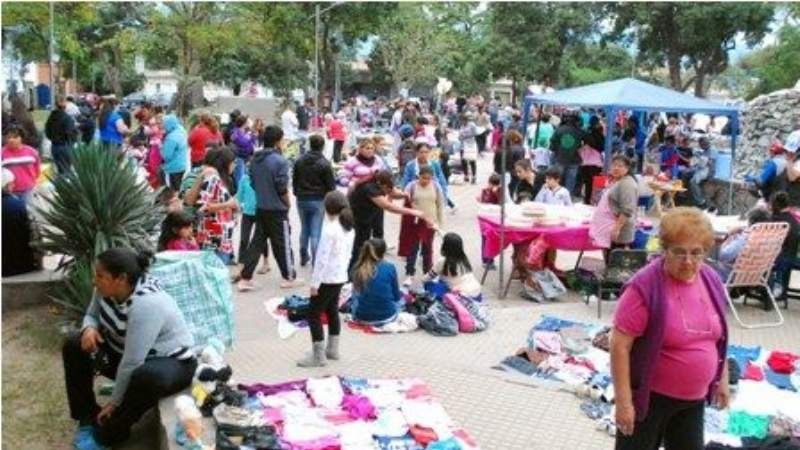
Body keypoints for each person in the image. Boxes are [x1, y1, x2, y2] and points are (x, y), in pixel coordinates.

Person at [610, 208, 730, 450]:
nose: (688, 261)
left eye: (697, 253)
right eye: (679, 252)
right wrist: (624, 403)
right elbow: (619, 345)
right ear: (664, 250)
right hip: (650, 400)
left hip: (692, 401)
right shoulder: (644, 287)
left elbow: (717, 337)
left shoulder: (710, 279)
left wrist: (722, 379)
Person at [63, 248, 196, 449]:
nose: (94, 281)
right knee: (74, 344)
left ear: (121, 279)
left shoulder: (147, 303)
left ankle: (110, 434)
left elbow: (133, 361)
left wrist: (115, 402)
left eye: (100, 276)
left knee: (145, 377)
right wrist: (89, 328)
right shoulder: (104, 290)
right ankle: (87, 418)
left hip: (170, 362)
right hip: (127, 356)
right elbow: (91, 315)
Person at [239, 126, 302, 290]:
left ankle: (245, 278)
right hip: (276, 209)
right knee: (283, 243)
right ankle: (289, 277)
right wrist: (287, 203)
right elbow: (281, 187)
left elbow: (252, 182)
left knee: (256, 243)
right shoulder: (280, 161)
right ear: (277, 141)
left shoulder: (254, 159)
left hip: (261, 207)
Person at [297, 191, 355, 367]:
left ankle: (318, 356)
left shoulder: (329, 230)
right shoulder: (349, 228)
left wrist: (314, 284)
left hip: (326, 278)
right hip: (340, 276)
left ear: (327, 208)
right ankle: (333, 349)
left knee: (313, 314)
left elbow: (321, 260)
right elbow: (348, 255)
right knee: (332, 311)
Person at [348, 170, 426, 272]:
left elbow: (393, 192)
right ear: (380, 183)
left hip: (372, 213)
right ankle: (353, 272)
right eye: (386, 187)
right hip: (360, 216)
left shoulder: (381, 182)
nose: (387, 190)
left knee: (375, 236)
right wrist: (412, 212)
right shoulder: (369, 188)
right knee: (360, 245)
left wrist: (405, 195)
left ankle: (371, 263)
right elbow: (388, 206)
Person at [183, 146, 239, 264]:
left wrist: (233, 205)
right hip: (213, 239)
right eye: (234, 162)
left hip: (221, 237)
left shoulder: (221, 178)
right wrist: (229, 204)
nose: (235, 165)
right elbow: (204, 207)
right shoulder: (212, 177)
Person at [293, 134, 336, 267]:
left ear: (309, 145)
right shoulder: (325, 163)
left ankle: (303, 253)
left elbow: (294, 180)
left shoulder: (299, 161)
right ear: (322, 146)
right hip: (318, 199)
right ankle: (316, 259)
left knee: (304, 228)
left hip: (302, 198)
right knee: (316, 230)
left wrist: (297, 193)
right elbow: (331, 186)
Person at [400, 165, 445, 285]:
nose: (426, 181)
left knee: (427, 249)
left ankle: (427, 273)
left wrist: (439, 223)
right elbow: (406, 205)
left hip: (430, 222)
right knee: (412, 249)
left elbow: (440, 205)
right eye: (423, 178)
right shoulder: (411, 186)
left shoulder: (436, 186)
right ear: (418, 176)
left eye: (428, 178)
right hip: (415, 222)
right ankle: (410, 274)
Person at [590, 154, 639, 252]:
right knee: (609, 257)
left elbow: (627, 210)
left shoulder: (627, 184)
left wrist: (617, 228)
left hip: (619, 230)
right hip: (609, 228)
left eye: (620, 166)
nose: (616, 168)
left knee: (615, 259)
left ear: (627, 168)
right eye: (614, 165)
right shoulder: (617, 181)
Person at [351, 238, 403, 324]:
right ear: (383, 252)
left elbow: (355, 296)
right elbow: (396, 296)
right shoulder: (389, 267)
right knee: (401, 301)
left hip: (361, 316)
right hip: (387, 316)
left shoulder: (358, 268)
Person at [714, 207, 770, 281]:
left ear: (750, 221)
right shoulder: (769, 237)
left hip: (734, 275)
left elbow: (723, 256)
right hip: (757, 274)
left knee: (706, 263)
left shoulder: (746, 238)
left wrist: (728, 235)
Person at [2, 169, 38, 276]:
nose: (13, 185)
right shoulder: (20, 205)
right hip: (23, 265)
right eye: (12, 183)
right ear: (8, 186)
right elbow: (34, 233)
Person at [424, 232, 482, 299]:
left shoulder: (443, 261)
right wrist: (438, 229)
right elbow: (453, 241)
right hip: (477, 294)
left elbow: (426, 279)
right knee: (443, 280)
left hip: (462, 298)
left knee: (428, 284)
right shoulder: (463, 258)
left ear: (444, 246)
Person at [236, 163, 270, 274]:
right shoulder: (244, 179)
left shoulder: (263, 179)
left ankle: (266, 262)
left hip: (260, 212)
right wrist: (235, 207)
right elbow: (239, 196)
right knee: (243, 239)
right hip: (247, 213)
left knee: (261, 239)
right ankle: (241, 264)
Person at [769, 191, 800, 301]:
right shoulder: (793, 219)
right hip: (792, 257)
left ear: (775, 205)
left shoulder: (776, 220)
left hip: (780, 260)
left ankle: (766, 290)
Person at [1, 126, 41, 203]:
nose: (11, 140)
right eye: (8, 137)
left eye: (15, 137)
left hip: (29, 190)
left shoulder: (32, 152)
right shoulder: (2, 153)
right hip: (9, 193)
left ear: (21, 138)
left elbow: (37, 170)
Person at [550, 111, 583, 195]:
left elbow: (552, 144)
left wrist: (557, 151)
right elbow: (589, 142)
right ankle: (567, 198)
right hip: (574, 160)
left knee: (557, 179)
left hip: (560, 159)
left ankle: (555, 196)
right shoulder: (579, 131)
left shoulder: (559, 129)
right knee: (570, 182)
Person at [45, 95, 78, 174]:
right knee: (66, 170)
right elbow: (71, 133)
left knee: (60, 169)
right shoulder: (67, 118)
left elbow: (47, 131)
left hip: (54, 146)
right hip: (65, 146)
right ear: (65, 106)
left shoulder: (51, 117)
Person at [683, 136, 716, 209]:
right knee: (685, 174)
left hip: (707, 170)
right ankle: (685, 194)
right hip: (700, 168)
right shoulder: (704, 151)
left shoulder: (712, 151)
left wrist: (711, 176)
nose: (700, 146)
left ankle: (701, 201)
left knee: (693, 181)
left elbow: (710, 164)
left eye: (700, 145)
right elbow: (699, 163)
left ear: (704, 144)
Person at [161, 114, 189, 195]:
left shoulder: (171, 138)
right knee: (179, 189)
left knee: (171, 191)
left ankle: (171, 206)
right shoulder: (182, 131)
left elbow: (166, 156)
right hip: (182, 165)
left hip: (172, 168)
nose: (163, 126)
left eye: (164, 124)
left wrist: (161, 149)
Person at [579, 117, 605, 205]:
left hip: (585, 162)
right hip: (596, 163)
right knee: (596, 183)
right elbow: (602, 147)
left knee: (587, 183)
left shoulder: (585, 133)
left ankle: (587, 200)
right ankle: (595, 200)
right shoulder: (600, 135)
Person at [230, 115, 256, 185]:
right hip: (239, 158)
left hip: (244, 158)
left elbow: (250, 143)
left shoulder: (243, 132)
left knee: (244, 178)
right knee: (240, 180)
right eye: (248, 122)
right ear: (244, 123)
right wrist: (251, 138)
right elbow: (245, 144)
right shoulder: (236, 133)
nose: (249, 123)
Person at [458, 114, 479, 184]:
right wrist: (460, 137)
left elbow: (476, 133)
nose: (461, 122)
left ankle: (474, 176)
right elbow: (460, 135)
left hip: (470, 145)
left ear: (466, 120)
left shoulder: (472, 125)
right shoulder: (461, 126)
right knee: (463, 161)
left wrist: (466, 136)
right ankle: (466, 175)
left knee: (472, 160)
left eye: (462, 121)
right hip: (462, 145)